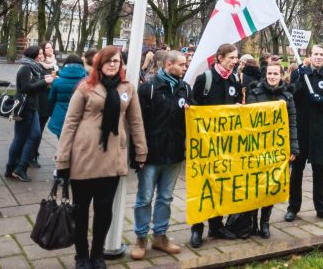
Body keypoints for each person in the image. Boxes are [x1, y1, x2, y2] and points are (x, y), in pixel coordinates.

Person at [55, 46, 147, 269]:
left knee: (105, 210)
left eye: (117, 61)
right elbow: (70, 124)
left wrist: (141, 150)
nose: (113, 64)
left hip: (112, 158)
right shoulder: (85, 88)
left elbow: (136, 121)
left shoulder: (128, 89)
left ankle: (97, 254)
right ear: (99, 64)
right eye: (108, 61)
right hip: (84, 158)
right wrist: (63, 159)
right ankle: (81, 255)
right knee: (81, 209)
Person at [130, 51, 191, 260]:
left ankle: (160, 236)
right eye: (182, 64)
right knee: (144, 198)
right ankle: (140, 238)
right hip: (152, 155)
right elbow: (137, 123)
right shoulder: (149, 89)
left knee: (165, 197)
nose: (185, 67)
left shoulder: (185, 89)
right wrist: (137, 153)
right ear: (169, 64)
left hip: (174, 155)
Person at [189, 43, 243, 247]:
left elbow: (237, 102)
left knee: (220, 185)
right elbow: (195, 107)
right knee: (201, 186)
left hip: (225, 144)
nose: (235, 61)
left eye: (236, 57)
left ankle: (216, 225)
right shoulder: (206, 79)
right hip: (205, 144)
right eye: (231, 57)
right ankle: (196, 228)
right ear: (219, 57)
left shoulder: (234, 79)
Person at [286, 45, 323, 223]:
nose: (318, 57)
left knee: (319, 170)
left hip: (320, 131)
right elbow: (291, 95)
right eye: (315, 54)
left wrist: (321, 100)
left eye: (321, 55)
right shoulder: (299, 74)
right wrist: (301, 79)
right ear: (309, 56)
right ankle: (293, 207)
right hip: (301, 129)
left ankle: (322, 208)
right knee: (297, 171)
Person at [246, 62, 299, 238]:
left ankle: (265, 222)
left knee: (271, 186)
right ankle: (252, 222)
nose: (272, 76)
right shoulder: (255, 93)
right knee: (256, 186)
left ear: (281, 75)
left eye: (276, 73)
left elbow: (292, 123)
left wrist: (293, 148)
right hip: (258, 148)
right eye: (269, 73)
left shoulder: (288, 96)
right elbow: (251, 120)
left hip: (277, 150)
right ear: (265, 74)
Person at [5, 45, 55, 182]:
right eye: (40, 54)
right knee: (20, 137)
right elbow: (27, 88)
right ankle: (13, 168)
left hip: (32, 107)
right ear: (33, 55)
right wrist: (45, 81)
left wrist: (45, 80)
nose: (42, 56)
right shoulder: (26, 67)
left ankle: (19, 168)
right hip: (25, 108)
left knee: (34, 134)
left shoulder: (34, 67)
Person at [47, 54, 88, 138]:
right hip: (80, 117)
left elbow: (51, 99)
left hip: (60, 118)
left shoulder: (57, 81)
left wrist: (51, 114)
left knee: (62, 144)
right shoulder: (87, 81)